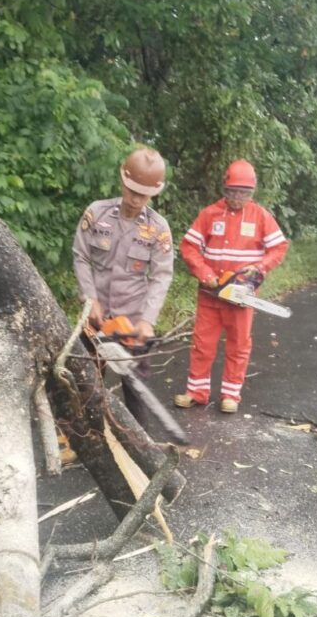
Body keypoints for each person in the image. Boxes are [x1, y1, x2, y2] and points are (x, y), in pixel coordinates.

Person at [173, 159, 289, 414]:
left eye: (244, 193)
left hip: (240, 295)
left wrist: (259, 267)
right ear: (225, 190)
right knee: (203, 343)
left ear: (251, 192)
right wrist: (205, 273)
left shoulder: (260, 216)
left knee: (238, 344)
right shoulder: (209, 214)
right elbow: (189, 247)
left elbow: (279, 247)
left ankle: (231, 394)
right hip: (210, 293)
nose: (238, 197)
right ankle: (196, 391)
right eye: (233, 192)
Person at [72, 147, 174, 425]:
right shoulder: (97, 213)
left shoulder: (158, 228)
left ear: (154, 192)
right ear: (122, 180)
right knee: (85, 379)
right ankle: (83, 436)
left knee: (136, 388)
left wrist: (147, 321)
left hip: (132, 321)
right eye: (132, 191)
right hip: (95, 318)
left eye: (144, 194)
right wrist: (90, 298)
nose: (136, 199)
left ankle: (139, 446)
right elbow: (81, 256)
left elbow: (162, 275)